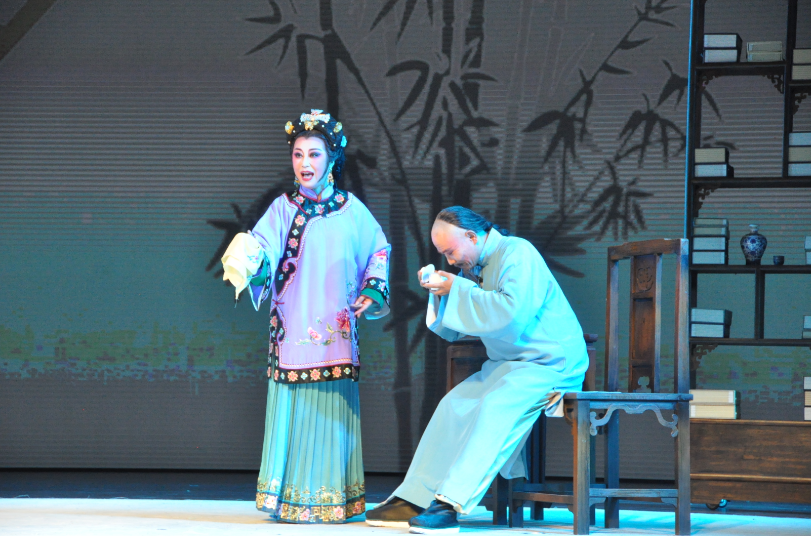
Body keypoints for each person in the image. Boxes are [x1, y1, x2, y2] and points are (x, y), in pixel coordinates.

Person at [365, 206, 588, 534]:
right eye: (444, 254)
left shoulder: (518, 252)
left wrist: (457, 288)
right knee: (454, 405)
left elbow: (512, 314)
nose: (450, 260)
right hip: (508, 365)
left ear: (472, 236)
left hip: (549, 364)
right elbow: (461, 325)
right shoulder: (476, 266)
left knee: (495, 405)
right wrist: (444, 292)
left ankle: (449, 504)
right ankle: (415, 497)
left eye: (451, 251)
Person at [222, 109, 390, 524]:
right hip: (294, 329)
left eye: (314, 154)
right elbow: (262, 252)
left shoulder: (352, 210)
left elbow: (378, 250)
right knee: (293, 410)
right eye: (298, 155)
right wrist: (248, 257)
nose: (305, 163)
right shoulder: (282, 209)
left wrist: (372, 289)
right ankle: (290, 499)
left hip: (336, 332)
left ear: (332, 159)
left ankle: (334, 500)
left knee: (332, 415)